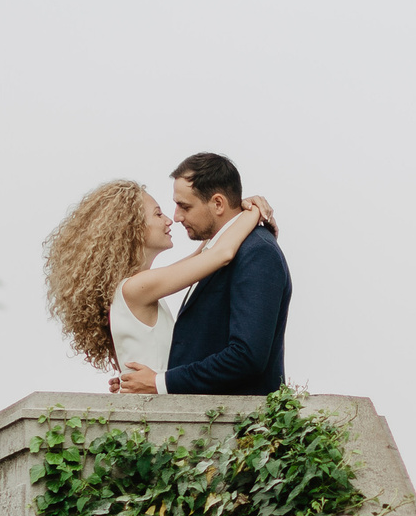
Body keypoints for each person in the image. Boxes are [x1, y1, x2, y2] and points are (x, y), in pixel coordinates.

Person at [41, 174, 273, 390]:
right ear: (133, 228)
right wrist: (253, 212)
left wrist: (233, 210)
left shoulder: (136, 287)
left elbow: (208, 251)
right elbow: (221, 254)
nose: (170, 220)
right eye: (158, 214)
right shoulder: (136, 288)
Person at [114, 152, 292, 397]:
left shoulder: (256, 251)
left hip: (235, 425)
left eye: (184, 206)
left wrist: (159, 382)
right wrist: (250, 211)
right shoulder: (215, 254)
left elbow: (246, 356)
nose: (175, 217)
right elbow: (220, 251)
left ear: (218, 203)